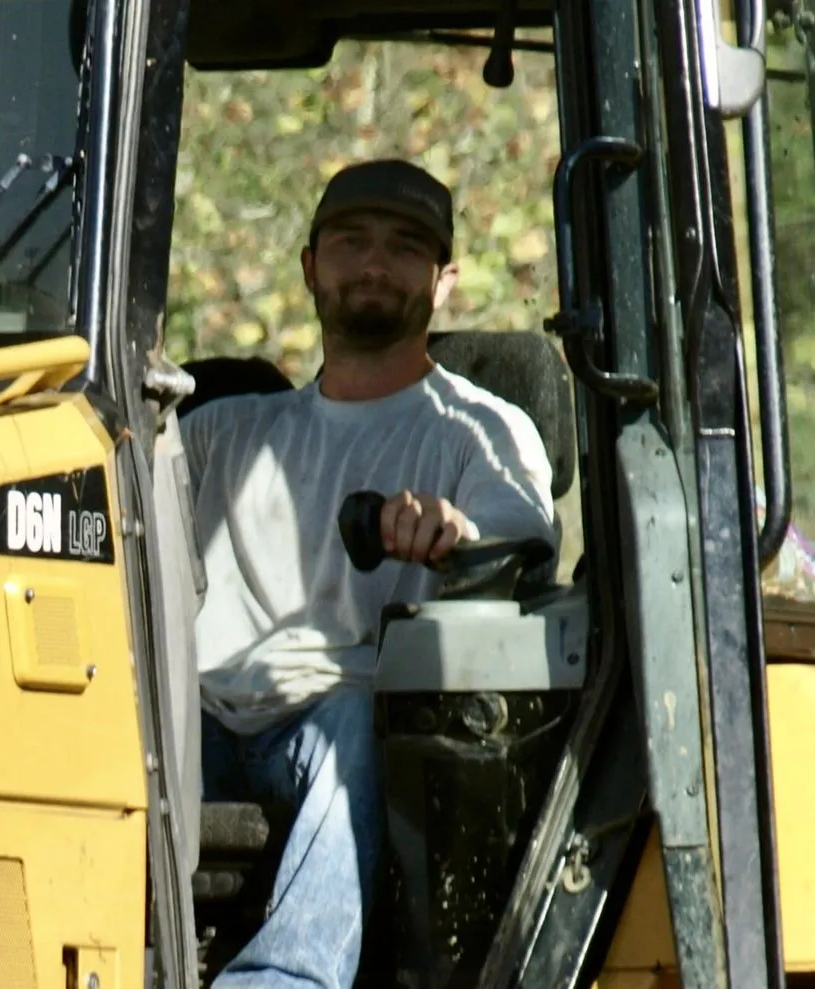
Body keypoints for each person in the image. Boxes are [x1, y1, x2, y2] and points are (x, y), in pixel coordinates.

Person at [181, 159, 556, 989]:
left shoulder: (479, 433)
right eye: (352, 242)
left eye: (405, 247)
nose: (376, 265)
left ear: (445, 281)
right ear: (311, 265)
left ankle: (284, 979)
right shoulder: (222, 433)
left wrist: (452, 531)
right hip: (199, 723)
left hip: (337, 725)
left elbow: (516, 531)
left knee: (352, 715)